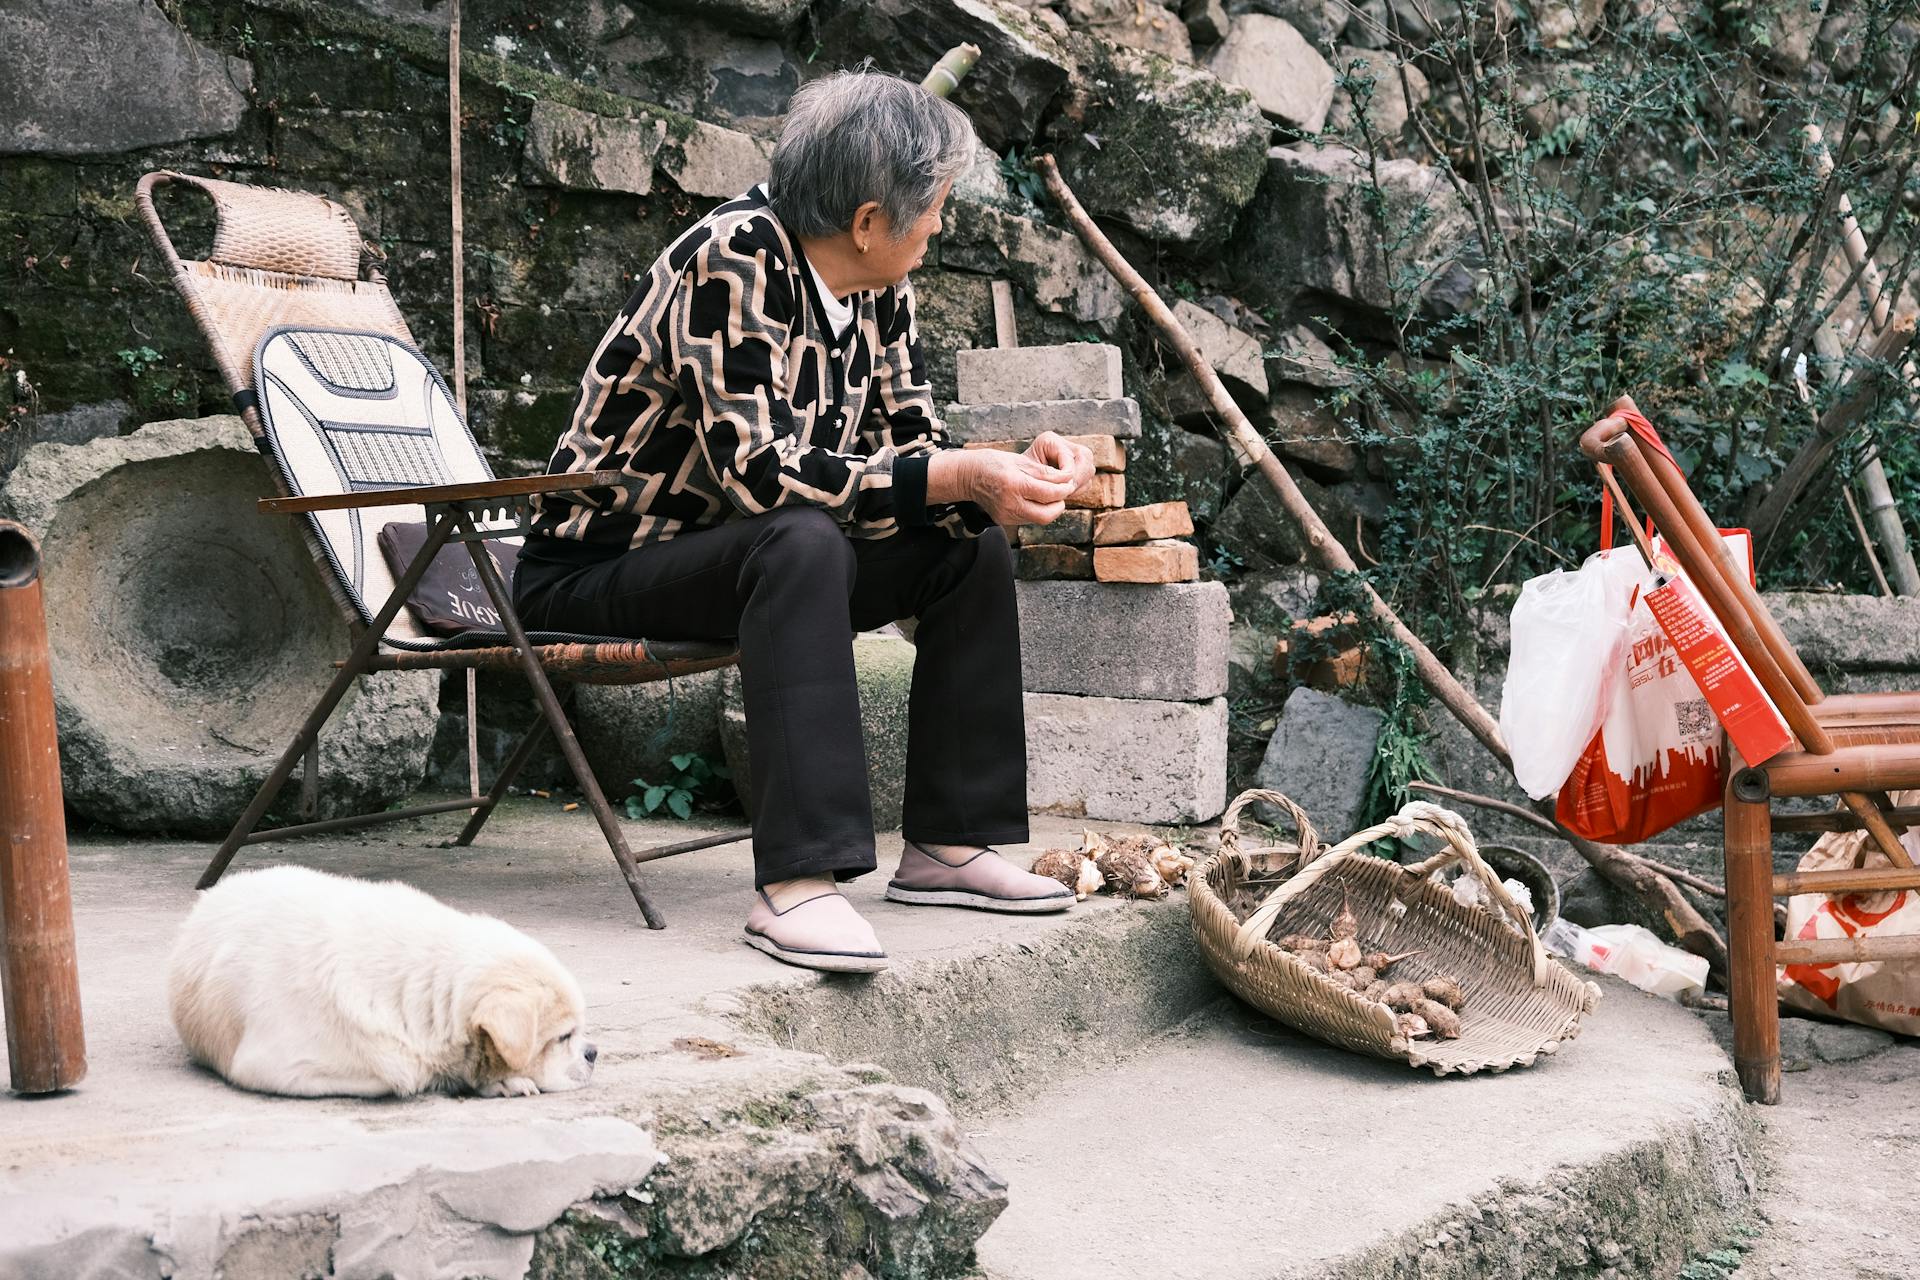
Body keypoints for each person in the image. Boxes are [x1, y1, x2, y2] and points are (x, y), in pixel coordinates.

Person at [513, 69, 1097, 973]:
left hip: (750, 553)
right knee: (800, 537)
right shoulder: (733, 256)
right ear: (869, 218)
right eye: (933, 208)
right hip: (602, 570)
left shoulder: (878, 281)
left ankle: (948, 844)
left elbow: (913, 441)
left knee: (963, 544)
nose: (940, 227)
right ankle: (798, 882)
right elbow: (760, 474)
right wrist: (947, 474)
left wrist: (998, 473)